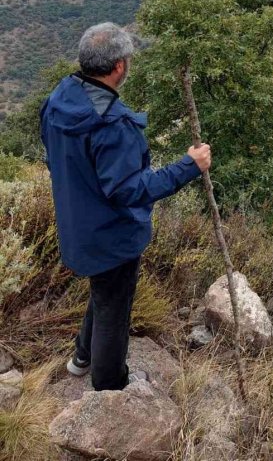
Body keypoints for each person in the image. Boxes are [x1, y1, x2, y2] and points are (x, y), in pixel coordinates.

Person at [40, 23, 212, 390]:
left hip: (77, 225)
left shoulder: (59, 100)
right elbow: (128, 190)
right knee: (114, 310)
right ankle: (109, 385)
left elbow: (55, 158)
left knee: (103, 294)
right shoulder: (113, 124)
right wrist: (187, 166)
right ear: (119, 66)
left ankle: (82, 358)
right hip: (111, 235)